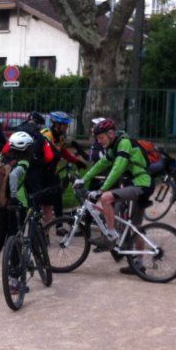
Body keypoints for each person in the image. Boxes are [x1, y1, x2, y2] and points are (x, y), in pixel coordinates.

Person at [74, 119, 153, 275]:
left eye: (101, 137)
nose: (99, 141)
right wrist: (85, 178)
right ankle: (138, 263)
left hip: (140, 184)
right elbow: (101, 164)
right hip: (138, 185)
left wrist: (102, 190)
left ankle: (111, 233)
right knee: (136, 228)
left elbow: (117, 168)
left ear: (111, 134)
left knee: (106, 198)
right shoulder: (114, 146)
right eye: (98, 139)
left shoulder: (124, 144)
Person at [0, 131, 34, 293]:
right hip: (18, 206)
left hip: (2, 207)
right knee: (15, 242)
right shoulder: (23, 163)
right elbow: (15, 176)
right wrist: (14, 197)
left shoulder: (1, 161)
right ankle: (14, 282)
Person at [40, 111, 87, 225]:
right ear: (57, 124)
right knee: (44, 202)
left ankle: (59, 225)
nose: (66, 127)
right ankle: (42, 227)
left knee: (58, 198)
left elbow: (64, 152)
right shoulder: (46, 135)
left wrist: (77, 161)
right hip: (43, 173)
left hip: (53, 172)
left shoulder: (59, 137)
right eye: (65, 125)